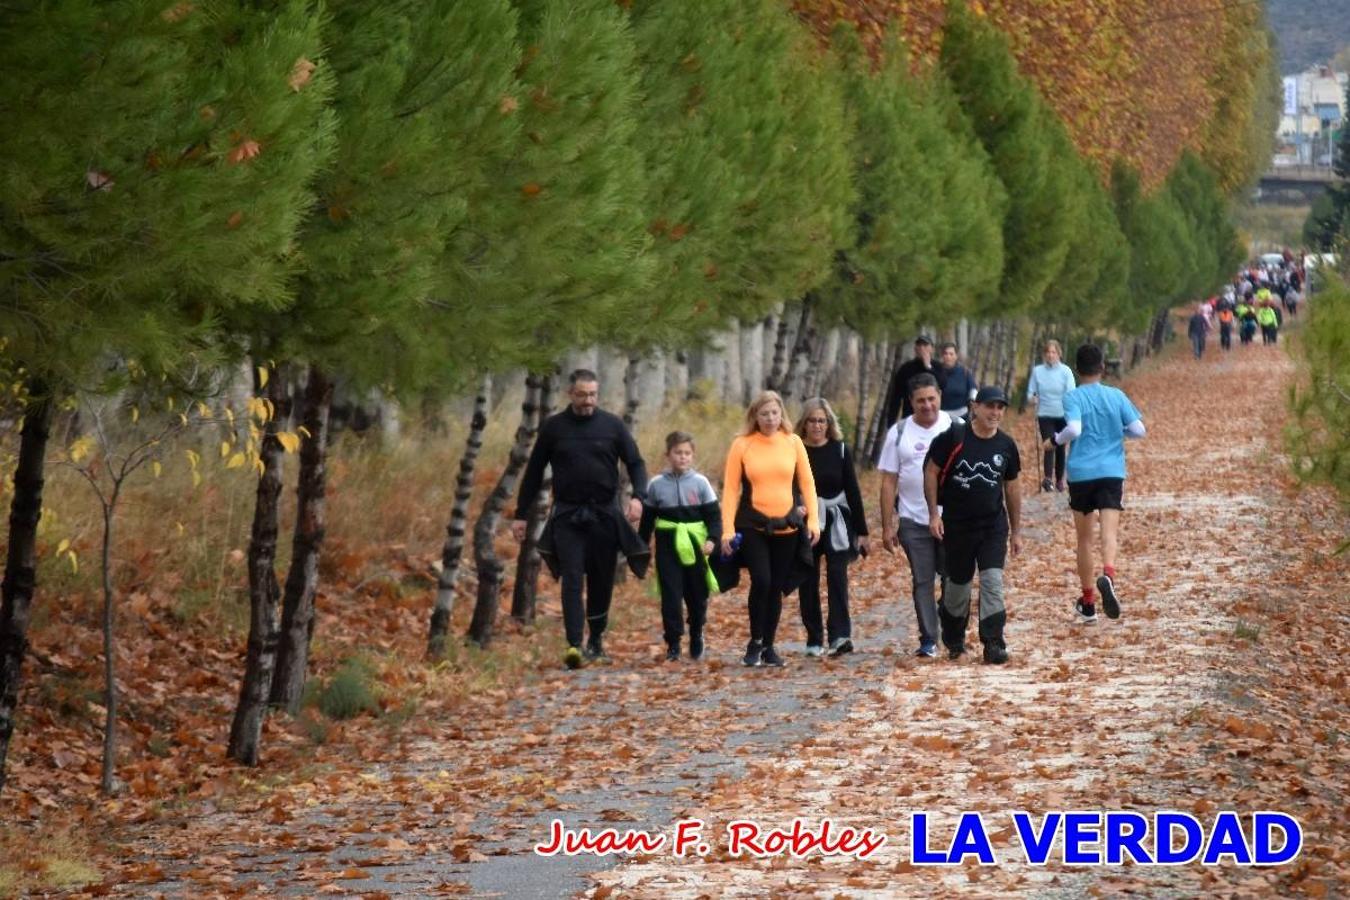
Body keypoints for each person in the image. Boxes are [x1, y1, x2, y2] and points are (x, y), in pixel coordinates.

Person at [513, 369, 650, 670]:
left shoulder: (612, 426)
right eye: (581, 395)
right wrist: (521, 515)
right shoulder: (553, 428)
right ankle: (574, 645)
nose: (587, 401)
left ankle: (596, 642)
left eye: (592, 395)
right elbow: (534, 472)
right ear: (570, 394)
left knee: (601, 580)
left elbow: (636, 463)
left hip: (604, 514)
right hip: (567, 515)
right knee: (572, 578)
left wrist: (639, 497)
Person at [1044, 344, 1145, 625]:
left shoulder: (1073, 397)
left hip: (1082, 473)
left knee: (1084, 540)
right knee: (1108, 533)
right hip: (1112, 470)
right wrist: (1118, 432)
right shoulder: (1116, 395)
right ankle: (1108, 575)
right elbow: (1139, 430)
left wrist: (1053, 441)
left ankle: (1088, 603)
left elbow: (1074, 429)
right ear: (1102, 368)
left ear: (1076, 370)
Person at [721, 391, 820, 668]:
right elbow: (730, 489)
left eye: (774, 413)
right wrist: (727, 530)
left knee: (776, 586)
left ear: (781, 415)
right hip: (752, 524)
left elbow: (807, 484)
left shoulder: (793, 442)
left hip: (786, 526)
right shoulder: (742, 444)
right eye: (764, 414)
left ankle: (769, 645)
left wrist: (812, 521)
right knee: (761, 580)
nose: (769, 419)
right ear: (755, 416)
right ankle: (754, 641)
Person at [923, 386, 1021, 664]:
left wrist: (1017, 531)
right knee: (958, 588)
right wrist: (934, 514)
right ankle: (954, 638)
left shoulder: (1006, 445)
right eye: (990, 406)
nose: (995, 412)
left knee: (992, 582)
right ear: (974, 407)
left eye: (1000, 407)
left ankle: (993, 642)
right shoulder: (953, 438)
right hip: (957, 527)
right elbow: (931, 472)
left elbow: (1012, 488)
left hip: (992, 527)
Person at [879, 373, 953, 658]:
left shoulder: (955, 427)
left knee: (952, 579)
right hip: (912, 519)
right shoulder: (899, 432)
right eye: (920, 400)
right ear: (911, 402)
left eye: (931, 399)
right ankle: (929, 638)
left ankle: (952, 632)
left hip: (951, 519)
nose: (927, 405)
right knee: (922, 579)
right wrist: (888, 526)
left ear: (940, 398)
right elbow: (888, 481)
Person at [639, 431, 721, 662]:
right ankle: (673, 642)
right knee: (671, 595)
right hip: (667, 545)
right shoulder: (656, 485)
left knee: (697, 594)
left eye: (687, 453)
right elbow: (647, 521)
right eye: (678, 453)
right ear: (668, 455)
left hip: (695, 543)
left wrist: (712, 540)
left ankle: (696, 632)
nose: (682, 457)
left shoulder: (700, 483)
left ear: (692, 455)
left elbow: (714, 517)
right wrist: (641, 548)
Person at [795, 399, 868, 658]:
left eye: (822, 421)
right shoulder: (796, 450)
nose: (817, 425)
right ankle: (814, 638)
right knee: (808, 579)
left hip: (837, 519)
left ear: (829, 424)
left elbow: (853, 490)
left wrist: (862, 532)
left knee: (837, 576)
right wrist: (795, 509)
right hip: (806, 522)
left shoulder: (839, 450)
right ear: (804, 423)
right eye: (812, 420)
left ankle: (840, 635)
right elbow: (788, 487)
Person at [1025, 339, 1076, 492]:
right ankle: (1048, 479)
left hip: (1062, 414)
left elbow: (1071, 391)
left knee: (1060, 446)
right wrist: (1032, 398)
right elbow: (1030, 392)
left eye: (1053, 352)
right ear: (1044, 354)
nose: (1050, 355)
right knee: (1049, 445)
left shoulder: (1066, 371)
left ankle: (1059, 479)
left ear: (1059, 354)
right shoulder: (1037, 371)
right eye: (1048, 352)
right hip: (1045, 413)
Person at [880, 336, 943, 431]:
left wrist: (928, 367)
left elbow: (943, 384)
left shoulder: (938, 367)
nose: (922, 348)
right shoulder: (906, 368)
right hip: (910, 415)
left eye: (925, 345)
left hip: (934, 417)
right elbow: (896, 397)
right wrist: (891, 423)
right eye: (919, 345)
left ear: (932, 349)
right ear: (915, 349)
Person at [936, 342, 978, 420]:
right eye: (946, 353)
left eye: (951, 354)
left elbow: (973, 389)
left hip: (962, 415)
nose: (948, 356)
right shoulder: (936, 372)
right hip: (941, 416)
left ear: (956, 356)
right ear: (942, 356)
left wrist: (973, 400)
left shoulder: (964, 372)